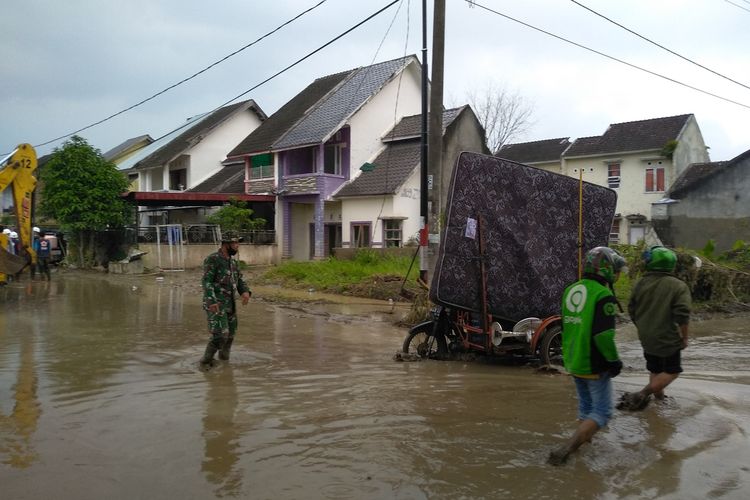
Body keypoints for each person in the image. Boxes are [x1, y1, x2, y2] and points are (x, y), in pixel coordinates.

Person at [548, 246, 626, 465]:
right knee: (602, 412)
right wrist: (614, 361)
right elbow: (603, 335)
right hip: (594, 363)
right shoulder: (604, 296)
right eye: (616, 270)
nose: (618, 275)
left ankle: (585, 450)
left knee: (586, 408)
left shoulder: (571, 290)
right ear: (607, 270)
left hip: (574, 361)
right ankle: (568, 448)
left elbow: (566, 325)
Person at [618, 246, 691, 411]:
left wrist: (643, 327)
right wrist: (685, 338)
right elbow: (683, 315)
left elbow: (632, 309)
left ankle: (660, 400)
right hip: (667, 337)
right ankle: (643, 393)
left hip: (646, 337)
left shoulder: (640, 283)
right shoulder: (678, 286)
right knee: (673, 371)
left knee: (656, 369)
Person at [200, 231, 251, 369]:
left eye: (238, 243)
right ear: (226, 244)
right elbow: (207, 282)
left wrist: (245, 292)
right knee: (220, 335)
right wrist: (211, 301)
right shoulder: (213, 259)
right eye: (235, 243)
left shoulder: (233, 262)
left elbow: (239, 279)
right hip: (216, 303)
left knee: (230, 336)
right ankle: (205, 362)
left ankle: (224, 362)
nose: (237, 246)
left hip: (230, 304)